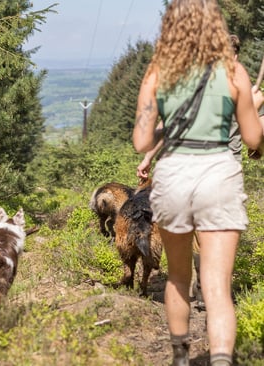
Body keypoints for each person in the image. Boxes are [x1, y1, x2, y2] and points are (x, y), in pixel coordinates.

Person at [132, 1, 264, 366]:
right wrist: (252, 105)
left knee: (177, 275)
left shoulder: (158, 72)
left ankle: (179, 357)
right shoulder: (233, 70)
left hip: (174, 174)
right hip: (219, 173)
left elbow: (142, 142)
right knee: (218, 286)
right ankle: (221, 361)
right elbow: (253, 138)